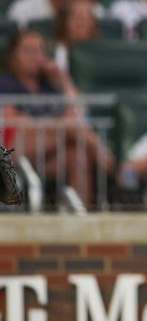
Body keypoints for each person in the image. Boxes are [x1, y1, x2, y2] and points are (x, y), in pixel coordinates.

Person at [0, 29, 115, 205]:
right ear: (13, 55)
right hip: (12, 150)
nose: (35, 56)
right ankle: (102, 153)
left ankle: (79, 221)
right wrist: (58, 125)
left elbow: (78, 114)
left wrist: (64, 80)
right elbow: (15, 123)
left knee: (77, 156)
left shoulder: (50, 87)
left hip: (50, 150)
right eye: (28, 50)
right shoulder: (5, 83)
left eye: (39, 50)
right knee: (70, 128)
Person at [52, 0, 98, 73]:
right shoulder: (55, 52)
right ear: (64, 21)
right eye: (77, 16)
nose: (82, 21)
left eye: (87, 17)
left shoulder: (100, 52)